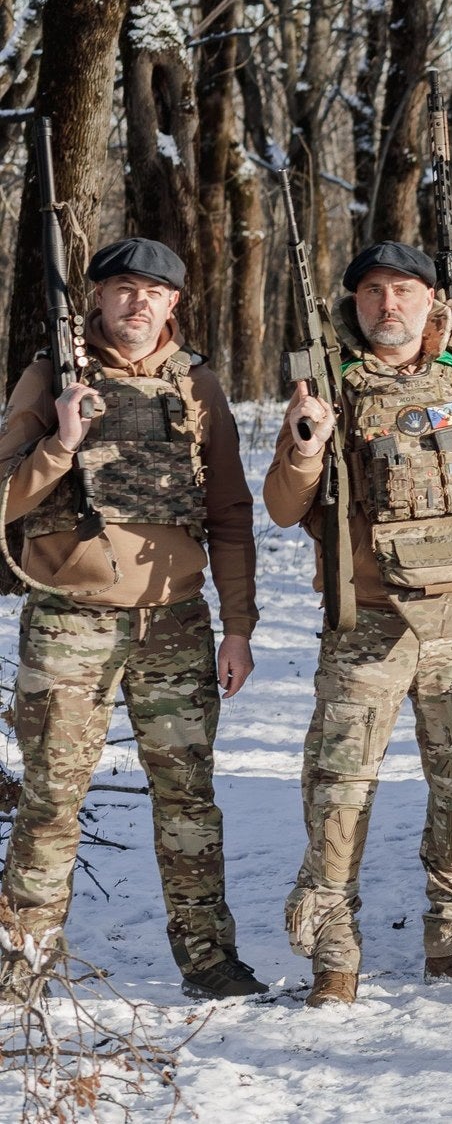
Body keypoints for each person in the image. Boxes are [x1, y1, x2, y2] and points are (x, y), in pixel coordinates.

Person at [265, 241, 452, 1007]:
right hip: (368, 626)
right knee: (339, 788)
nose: (390, 304)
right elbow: (283, 507)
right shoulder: (329, 388)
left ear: (431, 299)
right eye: (374, 291)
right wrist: (306, 444)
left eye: (404, 289)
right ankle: (333, 948)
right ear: (355, 304)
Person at [0, 238, 263, 1003]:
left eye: (153, 290)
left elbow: (230, 513)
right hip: (70, 622)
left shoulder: (198, 384)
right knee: (52, 798)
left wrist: (238, 625)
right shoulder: (52, 377)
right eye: (122, 287)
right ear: (97, 297)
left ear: (174, 301)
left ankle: (209, 959)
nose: (137, 302)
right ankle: (21, 965)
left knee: (188, 798)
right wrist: (61, 443)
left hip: (174, 623)